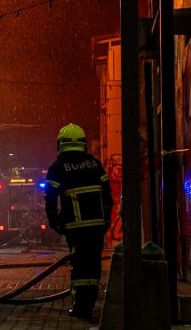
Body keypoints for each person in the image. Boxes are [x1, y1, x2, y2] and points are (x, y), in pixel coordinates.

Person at [44, 123, 113, 320]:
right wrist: (106, 219)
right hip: (96, 226)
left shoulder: (58, 167)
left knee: (81, 266)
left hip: (76, 226)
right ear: (82, 144)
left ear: (61, 144)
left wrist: (54, 220)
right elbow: (107, 194)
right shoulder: (94, 163)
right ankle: (89, 303)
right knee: (92, 266)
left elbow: (50, 197)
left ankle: (81, 307)